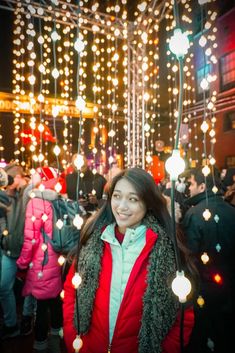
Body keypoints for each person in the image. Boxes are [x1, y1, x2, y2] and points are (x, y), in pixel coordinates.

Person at [63, 167, 195, 353]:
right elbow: (71, 291)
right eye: (117, 196)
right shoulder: (93, 241)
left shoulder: (165, 250)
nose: (121, 206)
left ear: (148, 202)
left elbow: (182, 315)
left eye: (132, 199)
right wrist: (73, 338)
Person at [181, 167, 235, 353]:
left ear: (202, 186)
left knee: (204, 337)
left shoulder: (194, 214)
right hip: (229, 288)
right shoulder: (231, 210)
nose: (188, 188)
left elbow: (190, 257)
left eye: (191, 184)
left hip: (204, 289)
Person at [16, 167, 64, 353]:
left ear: (43, 178)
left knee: (41, 305)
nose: (33, 175)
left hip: (41, 260)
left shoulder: (36, 201)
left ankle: (41, 345)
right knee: (55, 301)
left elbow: (31, 238)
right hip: (57, 257)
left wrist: (22, 262)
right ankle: (56, 339)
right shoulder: (58, 199)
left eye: (37, 173)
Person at [0, 164, 36, 339]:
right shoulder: (7, 195)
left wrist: (28, 183)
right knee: (3, 287)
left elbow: (32, 188)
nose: (7, 184)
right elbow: (3, 218)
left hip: (28, 250)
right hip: (10, 249)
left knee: (31, 288)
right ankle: (11, 324)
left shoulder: (28, 193)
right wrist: (3, 238)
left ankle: (27, 319)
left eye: (10, 179)